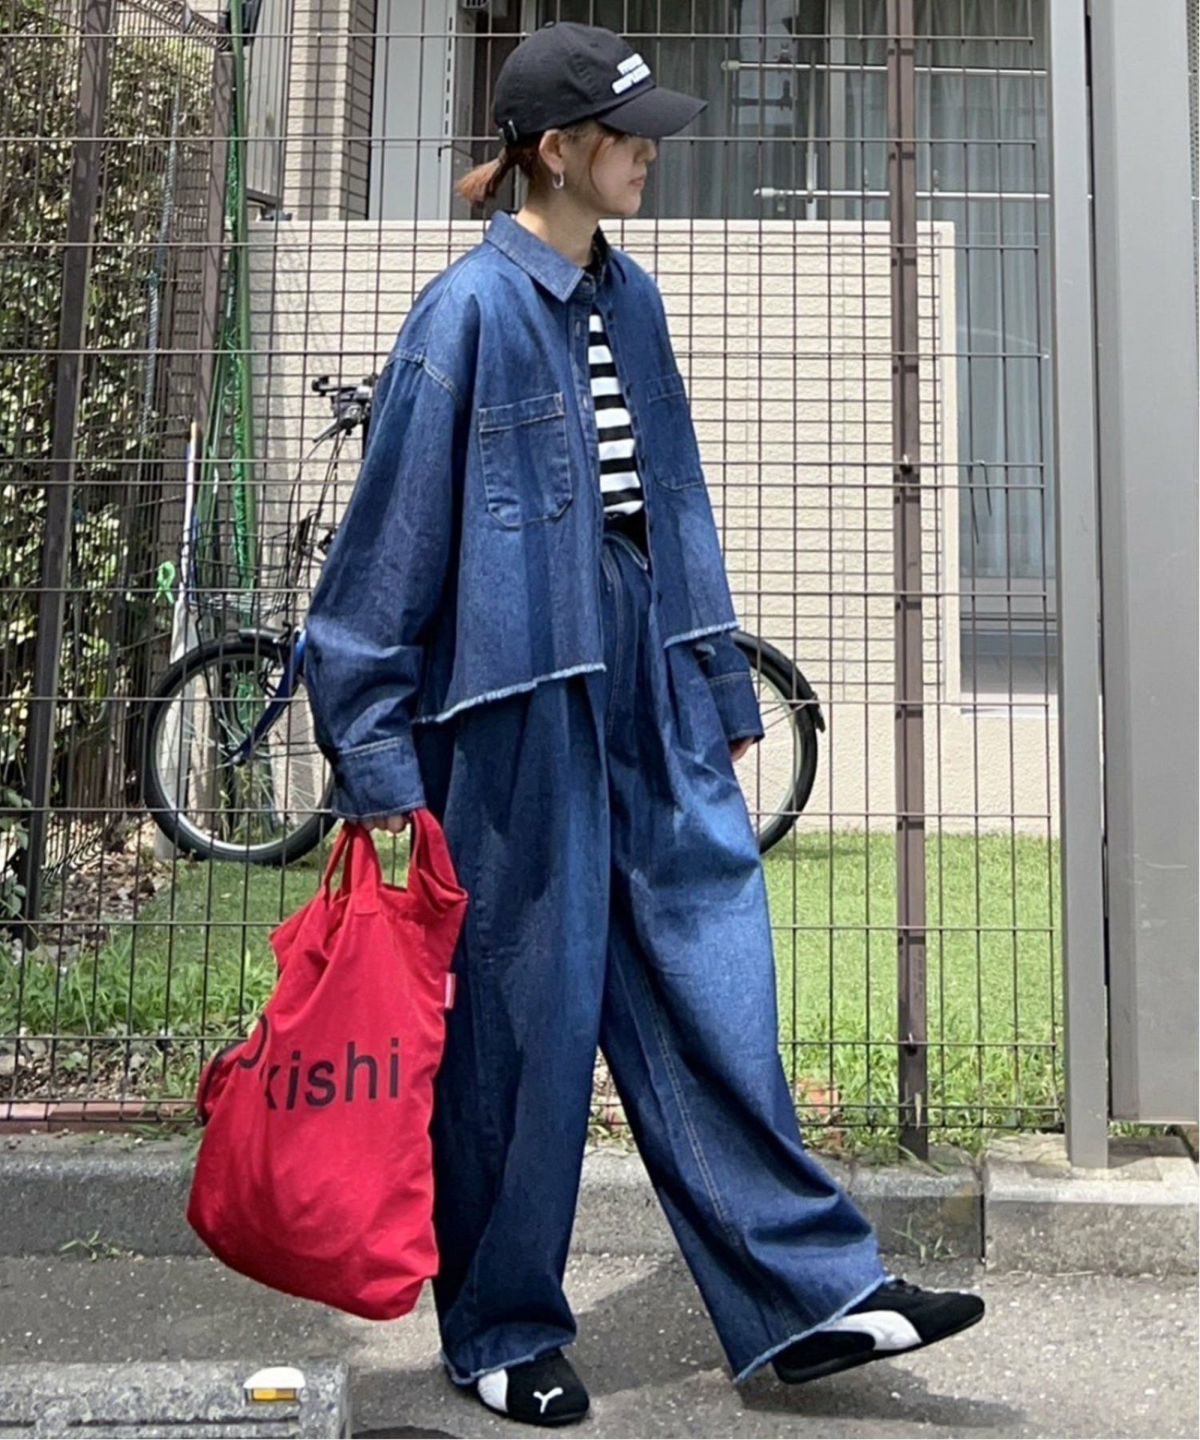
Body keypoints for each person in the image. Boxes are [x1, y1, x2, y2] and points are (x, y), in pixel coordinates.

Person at [304, 18, 984, 1429]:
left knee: (712, 972)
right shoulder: (465, 317)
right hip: (514, 702)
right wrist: (376, 759)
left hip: (649, 674)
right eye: (627, 135)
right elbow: (382, 560)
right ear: (558, 151)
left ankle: (807, 1297)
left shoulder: (634, 301)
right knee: (522, 1020)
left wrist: (716, 682)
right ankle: (499, 1330)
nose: (650, 153)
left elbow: (675, 501)